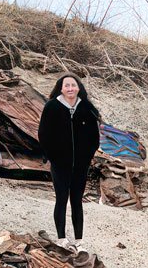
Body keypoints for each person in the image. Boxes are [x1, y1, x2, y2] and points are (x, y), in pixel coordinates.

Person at [37, 73, 101, 244]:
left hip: (81, 165)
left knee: (77, 201)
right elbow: (43, 134)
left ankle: (79, 240)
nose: (70, 88)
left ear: (79, 88)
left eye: (73, 85)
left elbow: (95, 137)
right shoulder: (52, 106)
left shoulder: (86, 108)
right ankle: (62, 238)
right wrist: (51, 155)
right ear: (61, 88)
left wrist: (88, 156)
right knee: (61, 199)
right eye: (67, 85)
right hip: (60, 163)